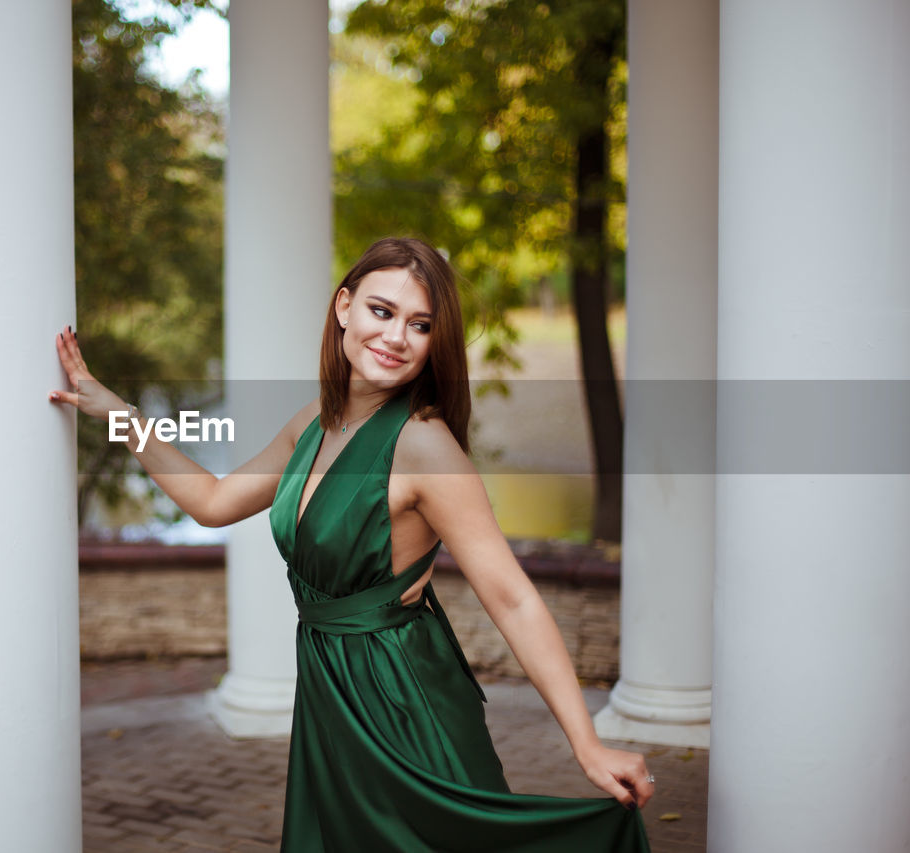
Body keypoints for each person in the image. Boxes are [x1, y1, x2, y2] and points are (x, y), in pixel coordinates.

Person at [49, 236, 653, 852]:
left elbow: (513, 599)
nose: (395, 337)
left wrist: (586, 743)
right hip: (331, 688)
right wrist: (119, 413)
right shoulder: (313, 423)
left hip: (402, 698)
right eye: (381, 311)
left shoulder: (425, 445)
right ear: (345, 308)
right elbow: (211, 502)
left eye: (419, 325)